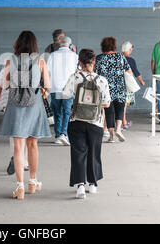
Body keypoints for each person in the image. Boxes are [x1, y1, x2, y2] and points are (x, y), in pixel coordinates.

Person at [0, 30, 52, 200]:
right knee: (33, 144)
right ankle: (33, 182)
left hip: (15, 105)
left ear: (18, 43)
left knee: (18, 147)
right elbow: (49, 87)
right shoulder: (41, 61)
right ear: (34, 44)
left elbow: (5, 85)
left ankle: (19, 186)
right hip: (34, 105)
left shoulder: (10, 61)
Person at [62, 49, 111, 199]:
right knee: (94, 153)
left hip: (76, 120)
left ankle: (80, 186)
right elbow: (107, 103)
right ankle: (93, 184)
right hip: (95, 123)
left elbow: (65, 94)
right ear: (94, 61)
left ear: (80, 62)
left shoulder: (75, 77)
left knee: (78, 152)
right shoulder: (102, 80)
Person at [96, 37, 133, 143]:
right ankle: (118, 129)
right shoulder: (120, 57)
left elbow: (95, 73)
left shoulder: (99, 58)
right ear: (114, 46)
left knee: (109, 112)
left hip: (106, 89)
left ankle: (111, 136)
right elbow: (129, 71)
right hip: (120, 87)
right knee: (120, 109)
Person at [0, 67, 29, 175]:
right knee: (25, 133)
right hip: (26, 104)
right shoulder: (30, 68)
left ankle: (15, 158)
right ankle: (23, 161)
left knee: (13, 135)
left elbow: (1, 85)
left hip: (9, 103)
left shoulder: (6, 68)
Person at [47, 36, 78, 145]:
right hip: (68, 89)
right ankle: (64, 134)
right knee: (67, 111)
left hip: (56, 88)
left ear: (60, 44)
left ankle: (57, 135)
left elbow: (48, 72)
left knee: (57, 112)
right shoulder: (74, 56)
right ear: (70, 45)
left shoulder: (52, 55)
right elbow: (77, 71)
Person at [121, 41, 145, 130]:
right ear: (129, 49)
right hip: (127, 85)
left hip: (117, 84)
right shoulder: (130, 60)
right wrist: (141, 81)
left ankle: (122, 122)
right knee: (123, 105)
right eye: (131, 50)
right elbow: (136, 72)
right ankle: (123, 122)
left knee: (119, 104)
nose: (131, 51)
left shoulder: (117, 58)